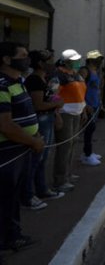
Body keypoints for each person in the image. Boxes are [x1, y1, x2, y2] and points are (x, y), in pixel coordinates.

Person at [0, 42, 45, 252]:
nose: (27, 59)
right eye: (23, 55)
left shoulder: (20, 82)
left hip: (22, 149)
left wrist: (34, 134)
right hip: (7, 153)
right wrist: (33, 141)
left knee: (13, 199)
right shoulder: (1, 84)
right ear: (7, 60)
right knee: (3, 201)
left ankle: (13, 236)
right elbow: (5, 125)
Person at [22, 50, 65, 210]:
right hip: (40, 121)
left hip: (48, 119)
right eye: (49, 60)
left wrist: (56, 112)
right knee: (35, 159)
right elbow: (38, 105)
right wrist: (56, 104)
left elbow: (49, 98)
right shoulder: (33, 80)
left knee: (43, 158)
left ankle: (42, 189)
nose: (52, 63)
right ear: (40, 63)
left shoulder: (44, 78)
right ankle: (27, 195)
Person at [53, 49, 87, 192]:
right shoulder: (58, 76)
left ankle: (67, 173)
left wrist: (83, 110)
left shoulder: (76, 75)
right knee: (65, 146)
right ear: (66, 62)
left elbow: (81, 94)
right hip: (65, 113)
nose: (78, 63)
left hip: (77, 113)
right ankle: (60, 180)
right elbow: (53, 95)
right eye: (74, 61)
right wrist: (57, 114)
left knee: (73, 143)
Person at [80, 50, 103, 166]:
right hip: (88, 105)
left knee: (92, 129)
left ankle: (88, 152)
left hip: (95, 104)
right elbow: (80, 88)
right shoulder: (85, 71)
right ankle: (87, 155)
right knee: (88, 130)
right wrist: (85, 104)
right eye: (97, 59)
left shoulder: (95, 71)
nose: (100, 61)